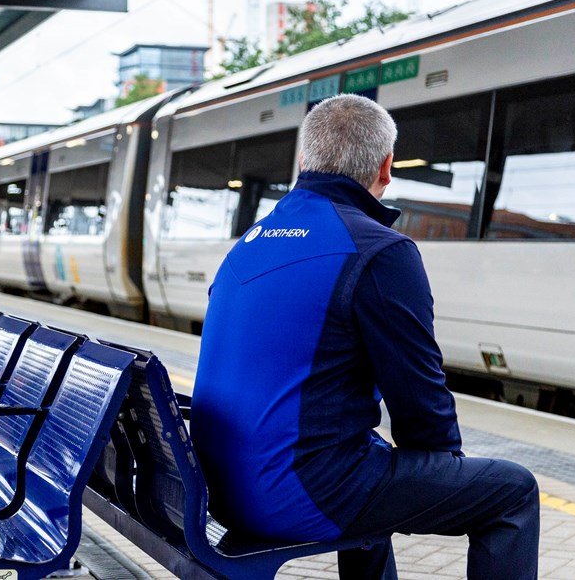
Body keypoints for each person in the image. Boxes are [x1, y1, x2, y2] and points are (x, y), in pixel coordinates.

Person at [191, 94, 540, 579]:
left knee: (370, 463)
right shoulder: (379, 251)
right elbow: (419, 400)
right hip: (292, 493)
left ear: (303, 161)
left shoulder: (251, 241)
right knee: (512, 491)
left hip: (220, 487)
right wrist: (441, 475)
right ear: (386, 167)